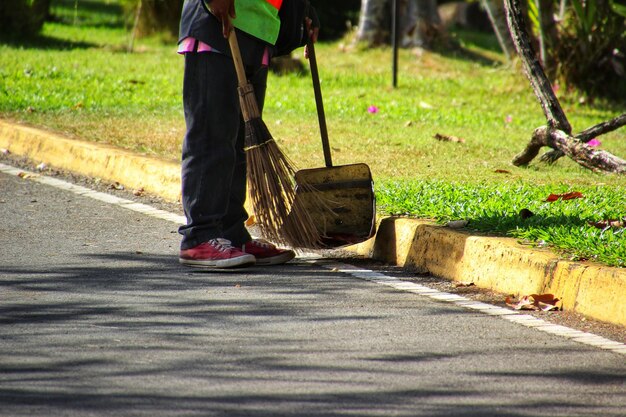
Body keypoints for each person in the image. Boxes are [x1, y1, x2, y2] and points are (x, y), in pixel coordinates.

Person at [177, 0, 319, 269]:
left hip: (258, 30)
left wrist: (303, 10)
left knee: (241, 143)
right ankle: (200, 236)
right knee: (212, 137)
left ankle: (231, 233)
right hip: (216, 23)